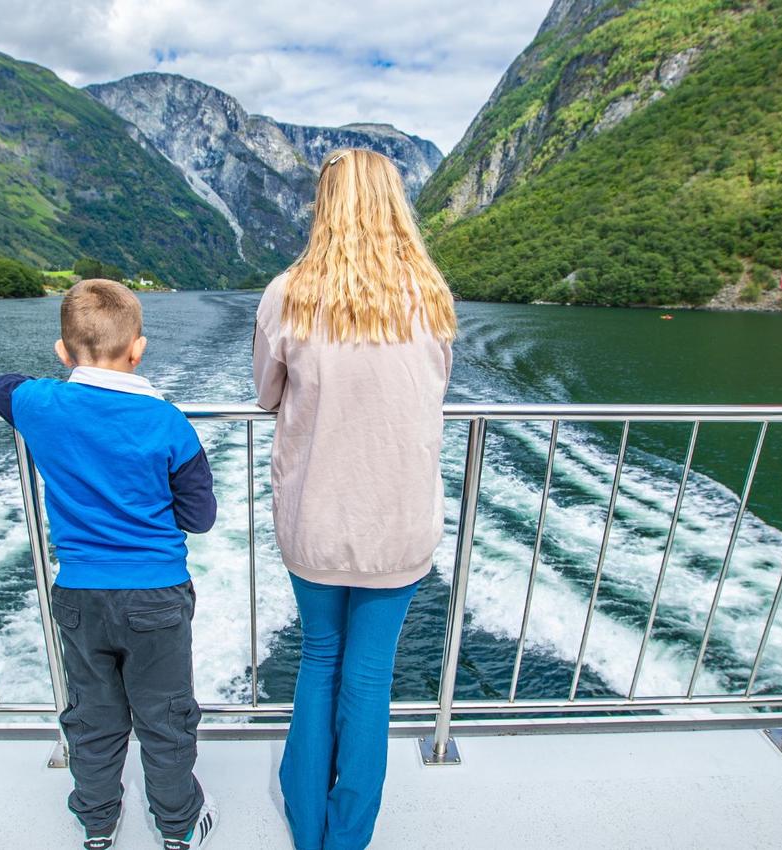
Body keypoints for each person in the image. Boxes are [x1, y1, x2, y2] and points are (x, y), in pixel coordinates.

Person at [253, 149, 456, 850]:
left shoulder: (288, 293)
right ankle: (348, 838)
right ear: (394, 204)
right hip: (398, 522)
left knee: (319, 660)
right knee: (370, 677)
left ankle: (307, 825)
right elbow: (434, 390)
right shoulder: (430, 295)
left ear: (324, 206)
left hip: (316, 517)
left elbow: (266, 393)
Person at [0, 279, 219, 850]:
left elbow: (1, 387)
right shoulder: (168, 422)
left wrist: (61, 375)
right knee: (166, 719)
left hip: (80, 595)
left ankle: (96, 821)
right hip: (156, 595)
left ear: (62, 351)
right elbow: (200, 516)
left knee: (93, 717)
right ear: (138, 349)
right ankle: (178, 826)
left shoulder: (41, 404)